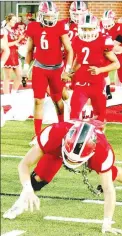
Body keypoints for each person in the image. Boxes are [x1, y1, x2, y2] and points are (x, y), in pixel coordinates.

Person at [3, 119, 122, 235]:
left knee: (112, 175)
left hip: (84, 152)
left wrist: (107, 223)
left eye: (76, 161)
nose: (72, 162)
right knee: (39, 177)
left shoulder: (102, 151)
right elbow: (24, 164)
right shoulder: (54, 134)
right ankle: (20, 203)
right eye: (70, 158)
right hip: (59, 148)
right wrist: (27, 189)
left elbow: (108, 190)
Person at [23, 1, 73, 145]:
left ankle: (63, 128)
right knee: (38, 100)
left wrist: (67, 69)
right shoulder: (33, 27)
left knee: (57, 100)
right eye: (47, 16)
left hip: (56, 69)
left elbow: (69, 49)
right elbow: (29, 50)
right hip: (40, 68)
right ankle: (37, 135)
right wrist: (26, 68)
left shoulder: (60, 26)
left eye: (52, 16)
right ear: (41, 15)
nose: (50, 19)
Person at [70, 13, 120, 121]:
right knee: (74, 115)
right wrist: (71, 72)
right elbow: (78, 59)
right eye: (84, 29)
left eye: (90, 29)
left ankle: (99, 137)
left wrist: (100, 70)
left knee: (100, 118)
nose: (87, 32)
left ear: (96, 28)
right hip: (81, 83)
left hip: (97, 84)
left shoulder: (103, 40)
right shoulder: (77, 39)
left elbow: (116, 64)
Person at [2, 14, 25, 97]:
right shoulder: (3, 30)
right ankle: (6, 96)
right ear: (8, 20)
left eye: (16, 21)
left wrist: (20, 42)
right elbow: (5, 44)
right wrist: (18, 40)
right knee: (7, 77)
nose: (15, 22)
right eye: (13, 20)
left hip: (14, 54)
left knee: (20, 75)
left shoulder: (12, 30)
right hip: (7, 54)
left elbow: (14, 43)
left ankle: (13, 93)